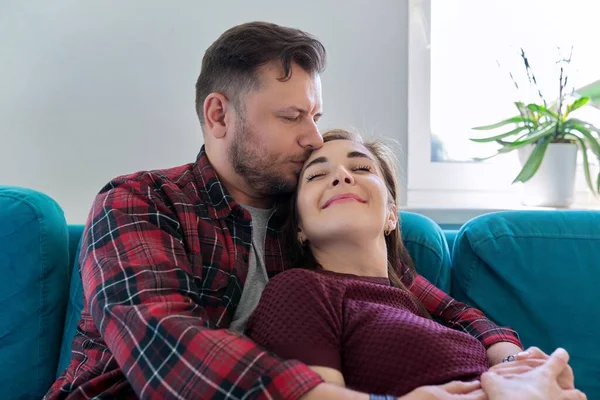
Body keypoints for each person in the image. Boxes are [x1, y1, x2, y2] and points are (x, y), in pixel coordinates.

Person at [45, 21, 540, 399]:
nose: (313, 137)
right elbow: (160, 341)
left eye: (316, 116)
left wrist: (510, 361)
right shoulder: (142, 201)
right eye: (291, 117)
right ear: (219, 115)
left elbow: (431, 299)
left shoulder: (310, 219)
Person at [245, 129, 585, 400]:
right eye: (317, 175)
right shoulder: (299, 290)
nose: (342, 177)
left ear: (392, 214)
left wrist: (521, 369)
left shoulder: (414, 300)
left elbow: (464, 314)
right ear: (300, 228)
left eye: (361, 168)